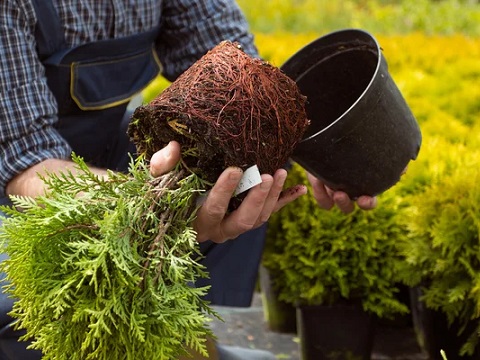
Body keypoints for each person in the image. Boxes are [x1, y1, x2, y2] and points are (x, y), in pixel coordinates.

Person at [0, 1, 376, 359]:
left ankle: (181, 340)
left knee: (248, 173)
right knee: (31, 305)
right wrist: (150, 209)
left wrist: (309, 145)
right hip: (22, 188)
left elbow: (239, 76)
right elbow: (25, 163)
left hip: (98, 149)